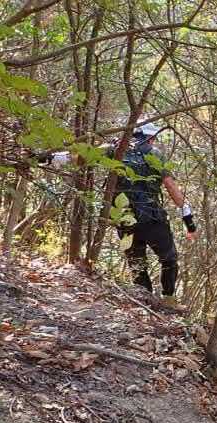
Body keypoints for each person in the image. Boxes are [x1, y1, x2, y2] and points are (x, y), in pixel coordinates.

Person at [41, 122, 197, 306]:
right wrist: (188, 220)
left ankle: (144, 299)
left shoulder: (115, 148)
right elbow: (170, 186)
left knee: (136, 261)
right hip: (152, 217)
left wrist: (48, 157)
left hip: (123, 217)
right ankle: (168, 299)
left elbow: (81, 156)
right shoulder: (154, 154)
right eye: (153, 138)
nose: (153, 141)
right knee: (169, 258)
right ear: (149, 137)